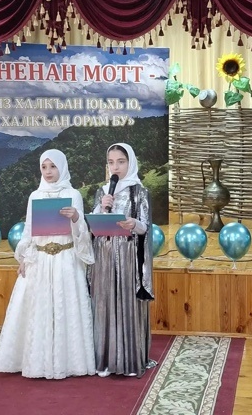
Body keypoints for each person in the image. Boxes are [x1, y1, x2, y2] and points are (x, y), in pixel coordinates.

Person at [0, 149, 96, 379]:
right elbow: (29, 230)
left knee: (65, 307)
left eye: (53, 166)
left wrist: (76, 217)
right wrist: (24, 258)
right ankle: (37, 362)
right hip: (40, 259)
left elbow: (82, 233)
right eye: (44, 167)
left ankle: (69, 362)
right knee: (37, 308)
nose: (48, 172)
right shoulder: (35, 196)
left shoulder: (73, 194)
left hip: (66, 259)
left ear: (62, 167)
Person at [89, 142, 155, 378]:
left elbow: (145, 226)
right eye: (111, 162)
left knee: (127, 302)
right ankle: (105, 359)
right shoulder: (103, 192)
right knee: (105, 302)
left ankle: (128, 360)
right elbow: (92, 227)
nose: (115, 167)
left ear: (130, 162)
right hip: (105, 255)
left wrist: (133, 224)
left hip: (128, 256)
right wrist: (101, 209)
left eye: (121, 162)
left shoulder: (139, 191)